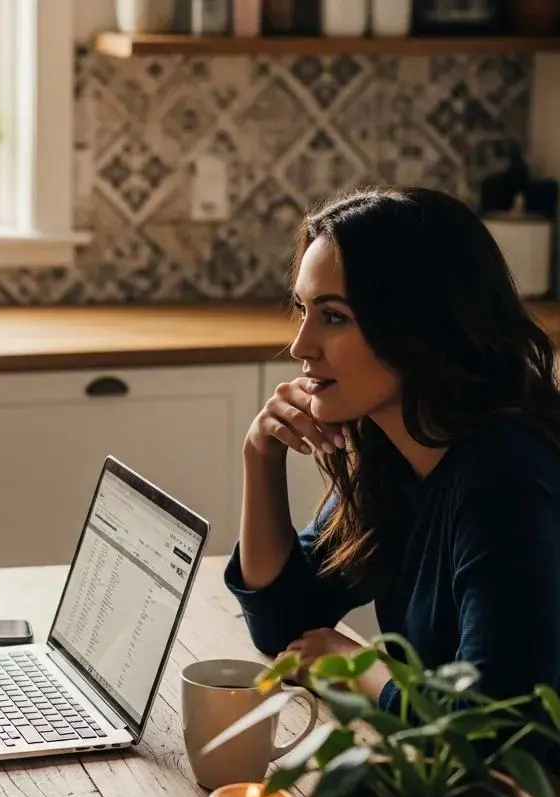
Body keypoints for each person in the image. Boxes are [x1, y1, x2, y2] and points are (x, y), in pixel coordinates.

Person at [225, 186, 560, 755]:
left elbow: (495, 730)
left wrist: (359, 668)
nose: (302, 346)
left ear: (420, 325)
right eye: (304, 311)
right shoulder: (394, 456)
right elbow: (284, 621)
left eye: (334, 317)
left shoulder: (505, 479)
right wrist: (261, 455)